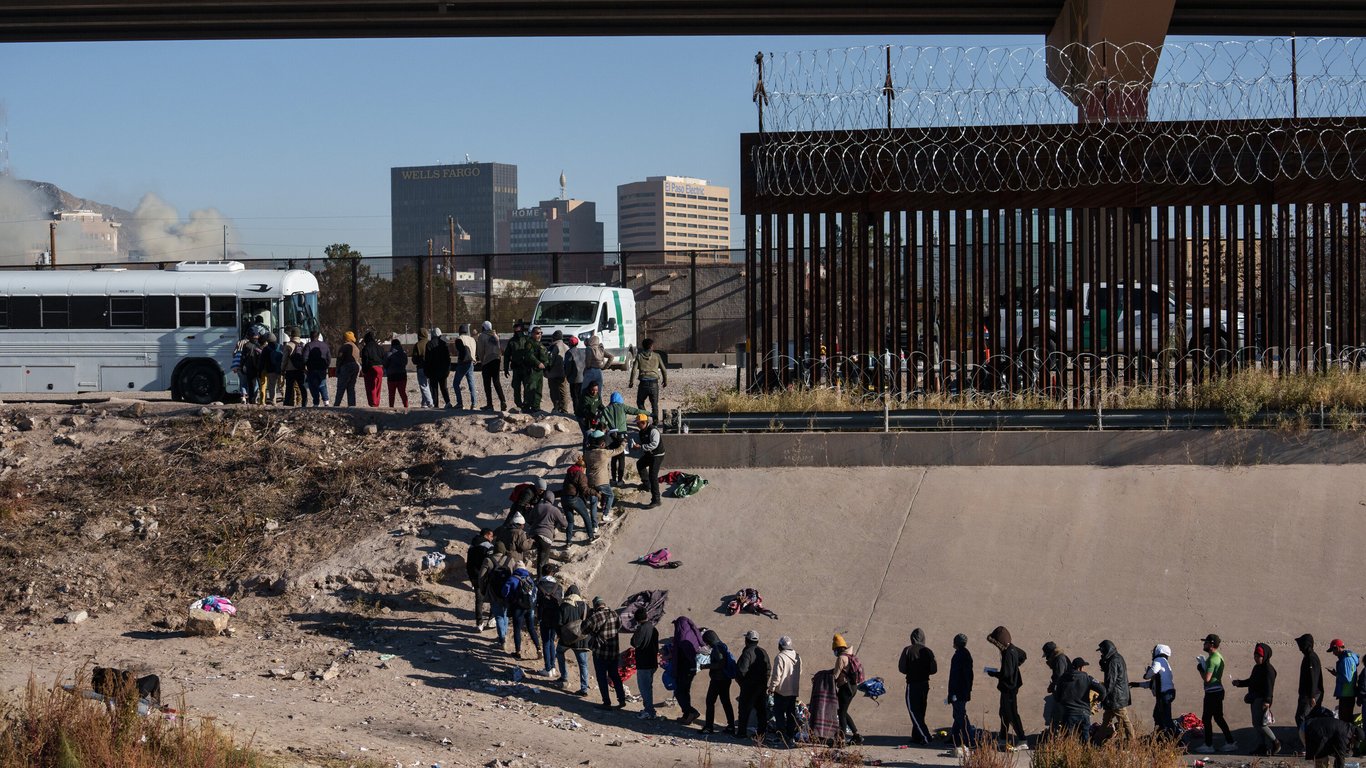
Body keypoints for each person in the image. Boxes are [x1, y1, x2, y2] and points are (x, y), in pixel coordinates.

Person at [1233, 642, 1280, 756]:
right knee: (1256, 724)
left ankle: (1276, 743)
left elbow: (1269, 687)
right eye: (1255, 656)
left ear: (1265, 656)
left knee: (1261, 725)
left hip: (1262, 700)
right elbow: (1251, 681)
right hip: (1255, 699)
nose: (1256, 658)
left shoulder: (1268, 670)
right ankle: (1262, 746)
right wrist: (1239, 683)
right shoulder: (1257, 668)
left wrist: (1267, 701)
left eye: (1259, 656)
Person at [1194, 633, 1239, 753]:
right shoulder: (1218, 656)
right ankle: (1230, 742)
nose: (1204, 644)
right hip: (1217, 691)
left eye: (1206, 642)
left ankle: (1209, 745)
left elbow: (1207, 679)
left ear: (1211, 644)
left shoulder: (1212, 659)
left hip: (1212, 693)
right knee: (1218, 718)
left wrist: (1200, 669)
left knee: (1206, 718)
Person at [986, 626, 1027, 750]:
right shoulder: (1012, 648)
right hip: (1010, 687)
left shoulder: (1008, 653)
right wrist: (1016, 666)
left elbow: (1006, 674)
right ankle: (1003, 738)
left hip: (1009, 688)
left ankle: (1022, 740)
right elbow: (1023, 655)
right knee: (1004, 713)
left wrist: (994, 674)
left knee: (1012, 714)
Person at [584, 596, 627, 709]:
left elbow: (583, 629)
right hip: (614, 653)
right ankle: (622, 699)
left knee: (602, 677)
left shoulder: (595, 617)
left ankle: (606, 702)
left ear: (595, 606)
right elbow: (619, 626)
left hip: (600, 653)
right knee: (615, 676)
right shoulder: (615, 614)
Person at [898, 628, 937, 744]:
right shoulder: (928, 651)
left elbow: (902, 668)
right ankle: (917, 736)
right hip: (925, 684)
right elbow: (934, 669)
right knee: (921, 710)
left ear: (912, 638)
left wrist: (912, 671)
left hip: (913, 684)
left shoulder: (907, 650)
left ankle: (925, 736)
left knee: (913, 711)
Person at [1054, 657, 1106, 741]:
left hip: (1068, 713)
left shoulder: (1062, 678)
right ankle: (1085, 749)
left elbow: (1057, 697)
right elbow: (1103, 690)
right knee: (1085, 739)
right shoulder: (1087, 678)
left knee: (1067, 740)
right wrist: (1098, 700)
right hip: (1084, 713)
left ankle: (1069, 749)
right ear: (1080, 668)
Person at [1132, 644, 1178, 737]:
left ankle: (1172, 738)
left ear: (1159, 651)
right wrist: (1137, 684)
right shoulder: (1164, 663)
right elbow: (1153, 684)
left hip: (1164, 694)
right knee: (1158, 715)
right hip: (1167, 694)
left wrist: (1146, 675)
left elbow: (1153, 670)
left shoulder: (1159, 660)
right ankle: (1160, 735)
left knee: (1164, 718)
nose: (1153, 653)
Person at [601, 392, 645, 485]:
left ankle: (613, 479)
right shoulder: (623, 407)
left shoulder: (606, 409)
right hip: (623, 437)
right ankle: (620, 480)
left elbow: (602, 423)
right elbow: (636, 411)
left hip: (612, 437)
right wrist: (650, 413)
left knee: (613, 458)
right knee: (621, 458)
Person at [557, 585, 592, 696]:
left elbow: (558, 623)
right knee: (583, 664)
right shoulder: (585, 606)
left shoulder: (563, 606)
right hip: (581, 641)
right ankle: (584, 689)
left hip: (566, 640)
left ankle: (564, 676)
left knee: (559, 652)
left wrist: (561, 636)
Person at [736, 629, 771, 739]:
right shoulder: (763, 652)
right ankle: (761, 734)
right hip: (761, 687)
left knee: (744, 710)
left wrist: (743, 684)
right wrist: (764, 682)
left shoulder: (747, 653)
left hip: (749, 687)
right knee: (761, 711)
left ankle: (741, 733)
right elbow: (768, 669)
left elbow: (741, 671)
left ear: (746, 640)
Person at [701, 628, 737, 735]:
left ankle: (708, 727)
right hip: (725, 679)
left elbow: (720, 664)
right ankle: (731, 726)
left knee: (710, 702)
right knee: (726, 702)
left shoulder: (717, 648)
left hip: (718, 680)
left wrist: (705, 666)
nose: (706, 644)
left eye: (706, 642)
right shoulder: (722, 645)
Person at [1097, 640, 1134, 742]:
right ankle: (1097, 740)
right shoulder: (1118, 657)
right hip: (1117, 696)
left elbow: (1111, 681)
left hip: (1115, 697)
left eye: (1102, 651)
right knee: (1106, 720)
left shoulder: (1113, 661)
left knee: (1125, 721)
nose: (1101, 653)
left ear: (1106, 650)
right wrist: (1104, 664)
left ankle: (1132, 742)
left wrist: (1103, 695)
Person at [583, 430, 623, 524]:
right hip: (602, 481)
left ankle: (594, 525)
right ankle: (605, 514)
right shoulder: (603, 452)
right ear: (601, 443)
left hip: (590, 481)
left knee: (593, 502)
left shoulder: (587, 453)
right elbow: (618, 450)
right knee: (610, 495)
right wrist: (623, 443)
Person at [524, 490, 567, 575]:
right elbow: (564, 524)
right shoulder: (554, 510)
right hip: (546, 537)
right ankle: (541, 578)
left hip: (533, 535)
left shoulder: (537, 506)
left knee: (540, 556)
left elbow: (529, 520)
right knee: (543, 560)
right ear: (552, 499)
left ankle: (541, 575)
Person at [769, 635, 803, 744]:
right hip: (793, 691)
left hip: (781, 691)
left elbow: (776, 676)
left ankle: (781, 736)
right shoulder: (797, 657)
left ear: (780, 646)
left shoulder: (780, 657)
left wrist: (771, 688)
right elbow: (799, 672)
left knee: (779, 714)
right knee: (790, 714)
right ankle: (790, 736)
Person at [560, 454, 600, 544]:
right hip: (573, 499)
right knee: (586, 516)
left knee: (570, 521)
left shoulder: (569, 472)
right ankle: (591, 537)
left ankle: (568, 542)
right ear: (582, 467)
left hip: (564, 499)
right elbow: (585, 489)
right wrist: (596, 493)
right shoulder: (580, 474)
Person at [832, 633, 864, 745]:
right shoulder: (851, 656)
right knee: (844, 711)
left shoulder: (841, 658)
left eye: (835, 650)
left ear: (838, 649)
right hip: (853, 687)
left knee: (841, 712)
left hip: (845, 688)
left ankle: (842, 739)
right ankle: (856, 735)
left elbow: (835, 675)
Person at [672, 616, 704, 725]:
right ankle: (687, 716)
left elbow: (682, 654)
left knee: (679, 692)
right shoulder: (692, 635)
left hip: (684, 669)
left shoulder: (682, 638)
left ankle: (691, 712)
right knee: (685, 692)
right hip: (691, 668)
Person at [628, 337, 668, 423]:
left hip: (643, 383)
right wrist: (665, 381)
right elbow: (664, 370)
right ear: (651, 346)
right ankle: (655, 422)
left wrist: (631, 382)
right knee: (654, 404)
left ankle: (645, 419)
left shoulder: (639, 356)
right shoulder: (657, 356)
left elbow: (634, 370)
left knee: (640, 402)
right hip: (654, 383)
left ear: (643, 346)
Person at [946, 633, 974, 756]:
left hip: (958, 691)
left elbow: (955, 676)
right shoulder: (966, 654)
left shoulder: (959, 656)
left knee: (960, 714)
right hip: (964, 690)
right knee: (958, 713)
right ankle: (955, 736)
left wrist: (951, 693)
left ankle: (969, 739)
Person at [504, 565, 540, 659]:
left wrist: (510, 598)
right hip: (529, 607)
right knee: (531, 628)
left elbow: (505, 592)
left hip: (518, 607)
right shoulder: (529, 578)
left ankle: (518, 652)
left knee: (517, 629)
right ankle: (538, 649)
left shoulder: (512, 579)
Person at [630, 607, 660, 720]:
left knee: (644, 688)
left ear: (637, 619)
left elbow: (635, 643)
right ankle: (649, 709)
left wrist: (636, 632)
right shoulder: (653, 629)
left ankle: (649, 711)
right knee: (648, 687)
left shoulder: (641, 629)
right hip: (652, 663)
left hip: (644, 663)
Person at [1297, 634, 1326, 748]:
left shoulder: (1311, 658)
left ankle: (1306, 744)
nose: (1299, 648)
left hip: (1310, 695)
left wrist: (1312, 696)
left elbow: (1313, 678)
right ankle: (1309, 743)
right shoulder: (1309, 656)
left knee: (1302, 717)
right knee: (1307, 718)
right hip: (1309, 694)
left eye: (1301, 645)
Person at [535, 565, 564, 679]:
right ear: (552, 573)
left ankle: (547, 668)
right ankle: (553, 667)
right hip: (555, 618)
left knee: (546, 642)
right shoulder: (558, 586)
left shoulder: (538, 585)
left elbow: (534, 601)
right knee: (552, 641)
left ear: (542, 573)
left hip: (544, 617)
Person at [464, 528, 495, 631]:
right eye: (491, 536)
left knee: (479, 599)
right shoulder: (489, 546)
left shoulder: (472, 546)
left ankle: (479, 623)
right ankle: (491, 620)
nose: (492, 538)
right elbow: (491, 562)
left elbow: (469, 563)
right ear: (487, 535)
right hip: (486, 576)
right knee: (493, 597)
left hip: (474, 576)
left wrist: (471, 577)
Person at [632, 412, 665, 508]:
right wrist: (636, 446)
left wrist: (641, 447)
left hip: (657, 455)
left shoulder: (653, 431)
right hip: (649, 454)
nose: (637, 425)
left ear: (643, 422)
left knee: (653, 476)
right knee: (640, 464)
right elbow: (642, 442)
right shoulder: (641, 431)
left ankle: (656, 500)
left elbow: (654, 444)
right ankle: (647, 485)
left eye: (638, 423)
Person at [476, 320, 508, 411]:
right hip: (496, 360)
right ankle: (503, 401)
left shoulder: (482, 336)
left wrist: (482, 360)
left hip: (487, 361)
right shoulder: (495, 335)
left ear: (484, 327)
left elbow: (481, 350)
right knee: (496, 381)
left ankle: (489, 404)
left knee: (487, 383)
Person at [1042, 641, 1072, 732]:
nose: (1046, 658)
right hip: (1064, 690)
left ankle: (1053, 733)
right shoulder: (1059, 657)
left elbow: (1059, 677)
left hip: (1064, 692)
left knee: (1056, 714)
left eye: (1047, 655)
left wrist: (1052, 687)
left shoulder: (1059, 659)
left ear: (1050, 653)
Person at [1329, 639, 1359, 723]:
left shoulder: (1346, 660)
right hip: (1348, 694)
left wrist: (1337, 675)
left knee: (1345, 720)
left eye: (1333, 650)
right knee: (1346, 719)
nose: (1333, 653)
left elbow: (1347, 678)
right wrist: (1336, 674)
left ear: (1337, 648)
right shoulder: (1347, 658)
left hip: (1346, 694)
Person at [522, 327, 549, 412]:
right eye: (537, 333)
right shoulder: (530, 343)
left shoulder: (539, 344)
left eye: (541, 333)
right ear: (533, 334)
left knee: (538, 389)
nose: (539, 335)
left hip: (539, 371)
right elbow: (529, 355)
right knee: (530, 389)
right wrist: (538, 363)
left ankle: (536, 407)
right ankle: (527, 407)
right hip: (532, 370)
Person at [505, 321, 531, 410]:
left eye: (519, 331)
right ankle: (519, 405)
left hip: (526, 367)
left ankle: (526, 404)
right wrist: (506, 368)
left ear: (522, 330)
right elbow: (507, 355)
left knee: (527, 387)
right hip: (516, 368)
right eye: (515, 331)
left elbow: (532, 353)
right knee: (516, 387)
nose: (517, 333)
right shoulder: (511, 341)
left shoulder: (527, 340)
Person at [425, 328, 453, 409]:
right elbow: (448, 359)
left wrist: (427, 371)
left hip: (433, 370)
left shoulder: (429, 344)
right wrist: (448, 370)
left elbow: (427, 359)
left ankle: (435, 404)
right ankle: (448, 402)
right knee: (444, 387)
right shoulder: (444, 344)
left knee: (434, 388)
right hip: (443, 370)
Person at [452, 323, 478, 410]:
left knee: (456, 383)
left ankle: (460, 403)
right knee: (471, 384)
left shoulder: (459, 339)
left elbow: (459, 350)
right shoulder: (472, 339)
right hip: (471, 363)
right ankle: (474, 404)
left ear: (460, 331)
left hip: (462, 363)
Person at [302, 330, 331, 406]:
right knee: (322, 385)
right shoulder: (325, 345)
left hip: (312, 369)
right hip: (322, 369)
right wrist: (326, 366)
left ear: (311, 336)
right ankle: (326, 401)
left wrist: (304, 367)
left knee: (313, 386)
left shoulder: (308, 345)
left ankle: (316, 403)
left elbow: (304, 358)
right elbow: (329, 358)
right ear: (318, 336)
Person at [332, 330, 360, 407]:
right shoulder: (356, 348)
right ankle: (352, 405)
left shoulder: (344, 347)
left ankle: (337, 404)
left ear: (345, 338)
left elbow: (340, 359)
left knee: (341, 387)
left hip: (346, 367)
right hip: (355, 367)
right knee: (351, 387)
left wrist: (337, 369)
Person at [281, 328, 307, 407]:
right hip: (300, 370)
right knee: (302, 387)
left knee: (289, 388)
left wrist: (282, 369)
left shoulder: (288, 345)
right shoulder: (303, 345)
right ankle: (304, 403)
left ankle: (287, 404)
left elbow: (284, 359)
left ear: (291, 335)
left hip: (290, 370)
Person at [359, 330, 385, 407]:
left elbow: (365, 360)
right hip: (380, 368)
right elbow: (384, 357)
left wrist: (364, 371)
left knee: (371, 387)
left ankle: (373, 403)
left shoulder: (366, 348)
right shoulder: (380, 348)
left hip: (371, 369)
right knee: (378, 387)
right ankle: (377, 403)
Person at [546, 330, 569, 414]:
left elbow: (550, 359)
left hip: (553, 373)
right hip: (563, 373)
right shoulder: (566, 346)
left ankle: (556, 407)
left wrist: (547, 369)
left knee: (554, 391)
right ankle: (564, 409)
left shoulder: (554, 346)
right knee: (563, 391)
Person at [411, 327, 433, 408]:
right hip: (430, 367)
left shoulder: (417, 345)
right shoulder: (430, 343)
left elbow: (414, 359)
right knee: (427, 386)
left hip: (421, 367)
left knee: (423, 385)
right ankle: (424, 403)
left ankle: (430, 402)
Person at [383, 339, 409, 409]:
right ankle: (406, 406)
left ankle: (391, 407)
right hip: (402, 375)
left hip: (392, 376)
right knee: (403, 393)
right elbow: (405, 363)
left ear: (392, 345)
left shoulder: (388, 354)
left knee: (391, 394)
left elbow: (385, 364)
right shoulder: (403, 353)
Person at [565, 335, 586, 417]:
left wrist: (566, 375)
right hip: (583, 376)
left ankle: (577, 412)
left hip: (574, 378)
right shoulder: (582, 351)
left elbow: (568, 366)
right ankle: (583, 412)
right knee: (581, 395)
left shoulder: (569, 353)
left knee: (575, 396)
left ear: (569, 344)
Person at [260, 333, 283, 404]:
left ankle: (273, 401)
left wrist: (261, 370)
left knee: (272, 386)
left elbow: (262, 361)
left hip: (270, 370)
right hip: (281, 369)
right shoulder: (281, 347)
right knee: (282, 385)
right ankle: (285, 397)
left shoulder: (266, 349)